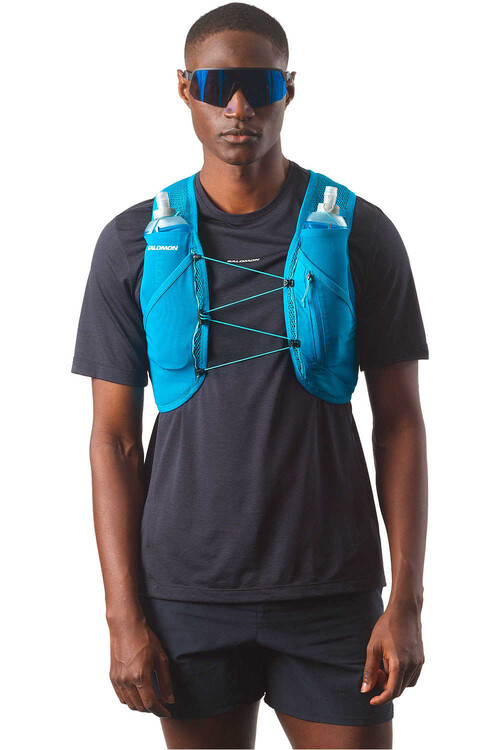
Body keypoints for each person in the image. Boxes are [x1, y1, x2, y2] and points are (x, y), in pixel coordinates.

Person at [71, 3, 429, 748]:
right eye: (217, 85)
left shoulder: (361, 231)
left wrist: (406, 602)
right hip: (186, 594)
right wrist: (123, 617)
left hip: (331, 590)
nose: (238, 107)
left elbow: (399, 422)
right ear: (185, 88)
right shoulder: (130, 242)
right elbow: (113, 441)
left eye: (260, 85)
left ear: (288, 89)